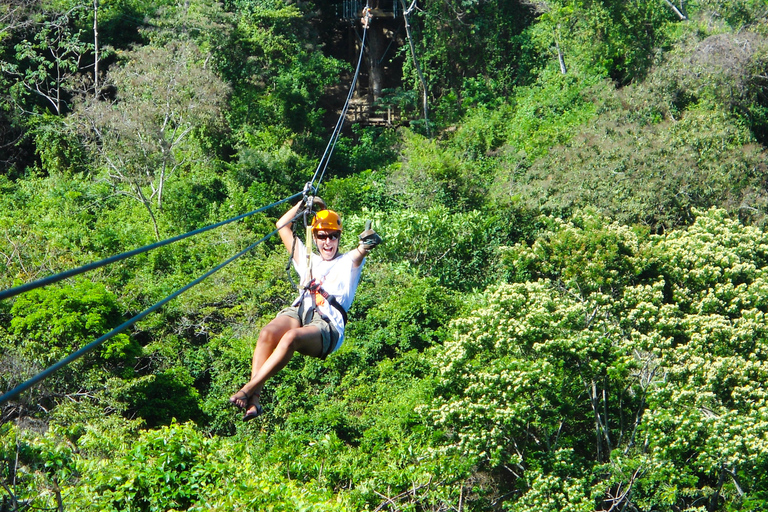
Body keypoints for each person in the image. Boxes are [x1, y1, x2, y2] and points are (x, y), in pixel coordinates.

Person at [229, 197, 381, 421]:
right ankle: (255, 400)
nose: (328, 242)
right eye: (322, 236)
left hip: (327, 325)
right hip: (302, 312)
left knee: (291, 338)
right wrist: (302, 204)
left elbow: (361, 252)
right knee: (267, 333)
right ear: (315, 237)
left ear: (339, 238)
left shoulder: (348, 262)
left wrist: (366, 244)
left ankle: (248, 388)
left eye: (333, 236)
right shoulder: (308, 257)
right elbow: (282, 226)